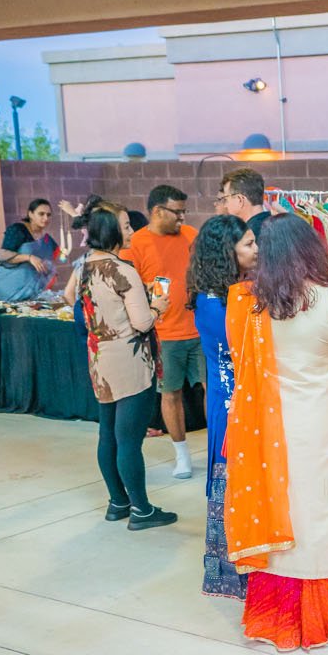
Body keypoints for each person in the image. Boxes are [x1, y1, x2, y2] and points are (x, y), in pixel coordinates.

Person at [224, 213, 328, 651]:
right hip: (325, 424)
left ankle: (284, 612)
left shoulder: (252, 305)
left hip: (272, 428)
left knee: (284, 511)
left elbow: (242, 370)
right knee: (326, 513)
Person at [64, 209, 176, 532]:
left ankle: (118, 501)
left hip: (100, 358)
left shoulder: (86, 266)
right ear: (112, 230)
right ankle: (142, 509)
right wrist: (158, 306)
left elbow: (77, 303)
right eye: (126, 226)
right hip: (129, 359)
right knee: (129, 439)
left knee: (107, 433)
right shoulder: (121, 270)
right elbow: (141, 322)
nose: (131, 230)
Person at [189, 215, 253, 599]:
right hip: (230, 404)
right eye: (248, 243)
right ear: (227, 252)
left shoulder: (235, 293)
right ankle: (237, 574)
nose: (256, 249)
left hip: (242, 398)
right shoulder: (214, 303)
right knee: (233, 483)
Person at [124, 184, 201, 481]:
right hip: (163, 333)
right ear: (157, 211)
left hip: (198, 328)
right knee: (171, 394)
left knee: (212, 389)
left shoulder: (191, 236)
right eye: (177, 212)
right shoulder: (137, 243)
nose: (182, 218)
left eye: (184, 212)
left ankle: (220, 451)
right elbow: (130, 287)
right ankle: (181, 453)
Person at [0, 197, 61, 302]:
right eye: (41, 214)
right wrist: (29, 257)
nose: (46, 218)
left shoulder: (46, 239)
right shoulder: (18, 230)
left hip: (32, 291)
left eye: (48, 215)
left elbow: (54, 258)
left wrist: (50, 270)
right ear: (30, 214)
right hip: (9, 286)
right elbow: (3, 256)